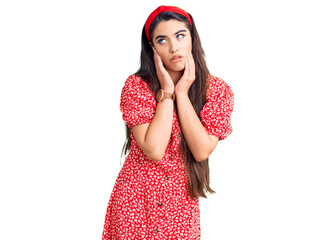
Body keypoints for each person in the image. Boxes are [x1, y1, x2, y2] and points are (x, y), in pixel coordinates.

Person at [102, 5, 234, 240]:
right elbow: (154, 149)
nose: (174, 48)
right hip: (136, 202)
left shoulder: (217, 91)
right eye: (162, 40)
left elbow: (202, 150)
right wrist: (168, 92)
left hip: (180, 206)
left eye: (180, 36)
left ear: (192, 38)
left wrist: (182, 94)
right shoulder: (137, 87)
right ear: (152, 48)